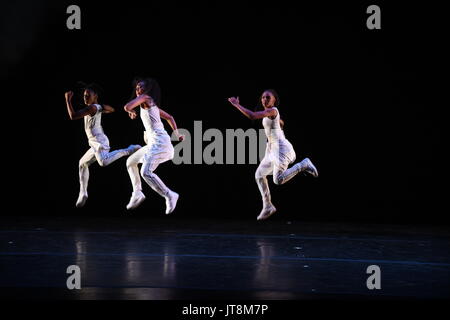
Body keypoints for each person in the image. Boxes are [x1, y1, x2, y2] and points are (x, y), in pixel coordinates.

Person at [228, 89, 318, 220]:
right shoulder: (270, 113)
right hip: (271, 149)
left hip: (281, 150)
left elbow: (253, 115)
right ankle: (268, 205)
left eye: (268, 97)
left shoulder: (272, 111)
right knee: (259, 175)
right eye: (263, 97)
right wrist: (279, 123)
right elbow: (279, 122)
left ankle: (304, 164)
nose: (264, 99)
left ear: (274, 100)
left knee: (278, 180)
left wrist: (236, 104)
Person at [65, 83, 141, 208]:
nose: (85, 98)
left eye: (88, 95)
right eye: (84, 95)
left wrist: (68, 100)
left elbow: (73, 116)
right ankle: (83, 192)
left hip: (99, 141)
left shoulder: (92, 108)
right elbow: (112, 109)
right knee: (82, 163)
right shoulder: (95, 107)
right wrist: (102, 107)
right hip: (94, 143)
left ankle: (129, 150)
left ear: (95, 96)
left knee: (103, 162)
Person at [123, 77, 184, 213]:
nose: (138, 90)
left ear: (147, 89)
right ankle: (137, 192)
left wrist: (129, 110)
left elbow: (127, 106)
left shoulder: (146, 98)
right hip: (153, 144)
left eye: (141, 87)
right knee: (130, 162)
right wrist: (178, 134)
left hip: (160, 143)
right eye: (137, 88)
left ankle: (170, 195)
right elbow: (170, 117)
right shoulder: (152, 104)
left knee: (146, 172)